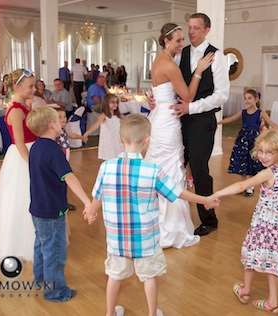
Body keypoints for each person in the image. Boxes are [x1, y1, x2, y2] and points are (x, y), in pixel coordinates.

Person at [83, 114, 219, 316]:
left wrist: (91, 212)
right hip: (145, 239)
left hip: (117, 239)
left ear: (120, 138)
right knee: (149, 278)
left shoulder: (106, 167)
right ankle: (152, 313)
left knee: (115, 275)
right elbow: (177, 193)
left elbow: (97, 198)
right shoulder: (153, 171)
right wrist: (205, 200)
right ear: (148, 139)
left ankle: (111, 313)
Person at [213, 130, 278, 315]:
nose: (263, 156)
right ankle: (272, 302)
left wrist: (217, 193)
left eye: (269, 152)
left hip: (264, 226)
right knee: (274, 261)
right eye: (261, 151)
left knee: (250, 254)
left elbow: (242, 185)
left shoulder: (267, 173)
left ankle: (245, 292)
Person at [145, 22, 214, 248]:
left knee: (159, 168)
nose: (182, 44)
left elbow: (160, 90)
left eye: (183, 39)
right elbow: (188, 96)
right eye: (178, 40)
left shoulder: (157, 61)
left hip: (159, 117)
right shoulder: (170, 65)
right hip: (168, 121)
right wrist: (199, 71)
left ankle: (155, 223)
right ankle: (170, 229)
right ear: (166, 41)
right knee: (170, 171)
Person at [169, 13, 230, 236]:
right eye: (190, 27)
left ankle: (209, 220)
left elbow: (222, 95)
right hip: (180, 119)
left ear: (207, 30)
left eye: (196, 27)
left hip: (203, 120)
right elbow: (173, 83)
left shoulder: (217, 56)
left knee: (199, 169)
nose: (191, 31)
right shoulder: (182, 53)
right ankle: (174, 216)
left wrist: (192, 108)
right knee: (175, 165)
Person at [26, 106, 91, 302]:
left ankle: (40, 280)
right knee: (55, 252)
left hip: (37, 208)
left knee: (41, 245)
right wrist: (87, 202)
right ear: (52, 124)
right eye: (59, 120)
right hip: (52, 210)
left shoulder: (36, 146)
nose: (63, 123)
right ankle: (56, 292)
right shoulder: (54, 151)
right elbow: (70, 178)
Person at [0, 69, 38, 262]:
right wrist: (33, 164)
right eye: (30, 86)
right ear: (17, 87)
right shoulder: (16, 110)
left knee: (32, 196)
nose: (34, 89)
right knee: (23, 198)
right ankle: (21, 243)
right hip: (24, 156)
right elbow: (19, 141)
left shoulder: (24, 106)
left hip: (32, 150)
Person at [218, 88, 278, 196]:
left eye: (249, 98)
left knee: (253, 162)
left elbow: (271, 123)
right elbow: (230, 119)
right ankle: (244, 184)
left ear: (256, 99)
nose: (247, 101)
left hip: (255, 141)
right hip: (243, 140)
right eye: (245, 98)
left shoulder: (260, 113)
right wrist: (218, 122)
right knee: (243, 162)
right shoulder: (243, 112)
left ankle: (250, 186)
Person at [83, 94, 124, 160]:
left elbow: (127, 119)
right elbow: (96, 125)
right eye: (112, 102)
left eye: (116, 102)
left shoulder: (118, 114)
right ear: (106, 103)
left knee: (118, 153)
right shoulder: (104, 115)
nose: (115, 104)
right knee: (110, 154)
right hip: (109, 139)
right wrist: (86, 133)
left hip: (117, 138)